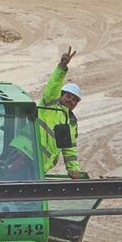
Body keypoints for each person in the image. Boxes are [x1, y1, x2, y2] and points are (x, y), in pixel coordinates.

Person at [38, 46, 84, 179]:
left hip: (42, 166)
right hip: (24, 154)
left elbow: (69, 148)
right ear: (61, 95)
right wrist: (62, 68)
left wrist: (73, 170)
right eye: (68, 96)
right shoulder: (49, 104)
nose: (70, 100)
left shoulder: (71, 123)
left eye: (74, 100)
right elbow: (53, 86)